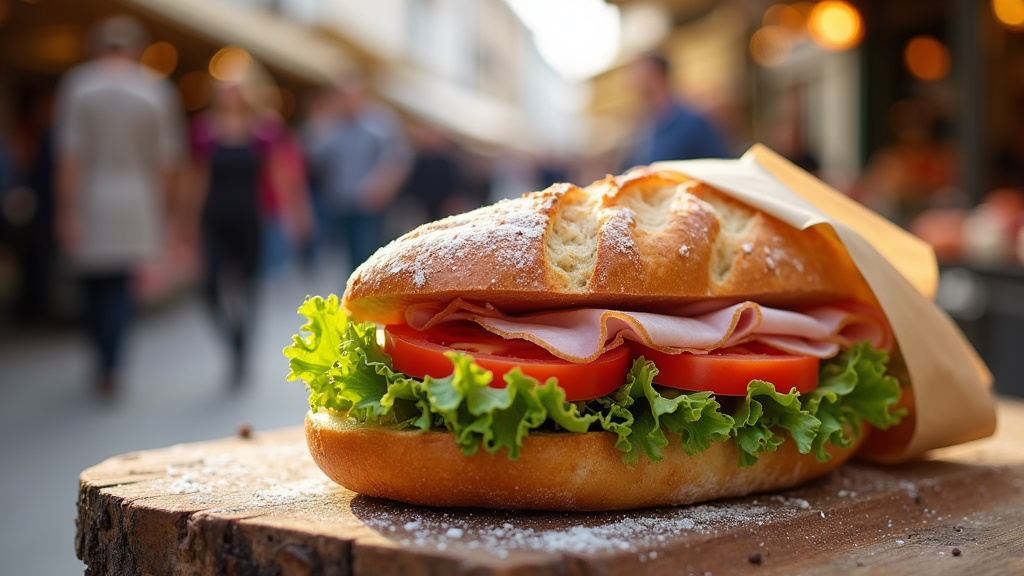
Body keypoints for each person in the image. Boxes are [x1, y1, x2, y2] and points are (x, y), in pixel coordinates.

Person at [53, 15, 185, 397]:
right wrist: (166, 212)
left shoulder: (79, 85)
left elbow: (70, 157)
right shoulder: (155, 91)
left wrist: (66, 209)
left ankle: (101, 359)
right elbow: (167, 163)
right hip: (137, 197)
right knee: (120, 286)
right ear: (136, 50)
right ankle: (112, 364)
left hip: (93, 195)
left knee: (94, 284)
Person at [183, 56, 304, 387]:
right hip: (214, 216)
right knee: (209, 289)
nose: (231, 95)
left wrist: (292, 216)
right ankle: (233, 340)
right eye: (225, 89)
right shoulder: (205, 129)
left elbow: (280, 176)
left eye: (237, 88)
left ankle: (243, 355)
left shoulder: (263, 129)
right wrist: (188, 221)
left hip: (251, 217)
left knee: (249, 288)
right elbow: (197, 179)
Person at [304, 73, 410, 273]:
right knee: (341, 255)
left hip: (368, 202)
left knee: (365, 253)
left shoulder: (381, 122)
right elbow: (314, 156)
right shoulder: (332, 124)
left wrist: (382, 187)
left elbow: (398, 159)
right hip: (338, 200)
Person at [623, 52, 730, 169]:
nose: (632, 80)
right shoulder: (646, 125)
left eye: (638, 73)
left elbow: (720, 166)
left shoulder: (692, 122)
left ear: (657, 74)